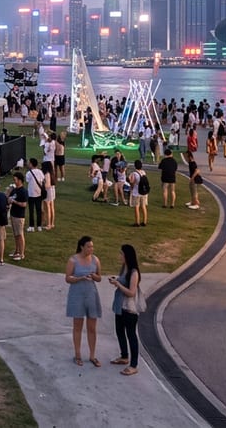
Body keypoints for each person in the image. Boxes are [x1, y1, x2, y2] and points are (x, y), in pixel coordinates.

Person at [65, 236, 102, 367]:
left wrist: (94, 276)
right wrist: (79, 278)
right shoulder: (73, 260)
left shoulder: (95, 259)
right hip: (77, 295)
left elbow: (99, 278)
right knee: (78, 326)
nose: (91, 249)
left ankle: (92, 355)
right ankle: (78, 354)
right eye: (88, 246)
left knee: (92, 327)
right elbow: (68, 278)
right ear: (82, 247)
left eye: (92, 246)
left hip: (91, 295)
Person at [108, 243, 142, 376]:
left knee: (131, 335)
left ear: (127, 255)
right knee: (120, 332)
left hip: (129, 309)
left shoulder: (134, 272)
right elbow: (122, 282)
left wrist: (118, 284)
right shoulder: (124, 268)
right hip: (120, 307)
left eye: (121, 254)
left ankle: (134, 365)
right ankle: (124, 356)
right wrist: (116, 280)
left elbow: (132, 292)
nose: (119, 256)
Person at [8, 172, 28, 260]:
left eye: (15, 179)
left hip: (19, 216)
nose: (14, 181)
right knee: (15, 234)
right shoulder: (14, 190)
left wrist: (14, 202)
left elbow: (24, 204)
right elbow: (8, 198)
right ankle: (17, 251)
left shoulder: (23, 191)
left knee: (20, 234)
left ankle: (22, 253)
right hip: (13, 214)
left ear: (20, 180)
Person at [128, 160, 149, 228]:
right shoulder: (143, 172)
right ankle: (144, 221)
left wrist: (129, 181)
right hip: (144, 192)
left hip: (136, 192)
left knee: (136, 207)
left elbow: (132, 182)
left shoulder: (134, 173)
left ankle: (137, 222)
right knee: (143, 206)